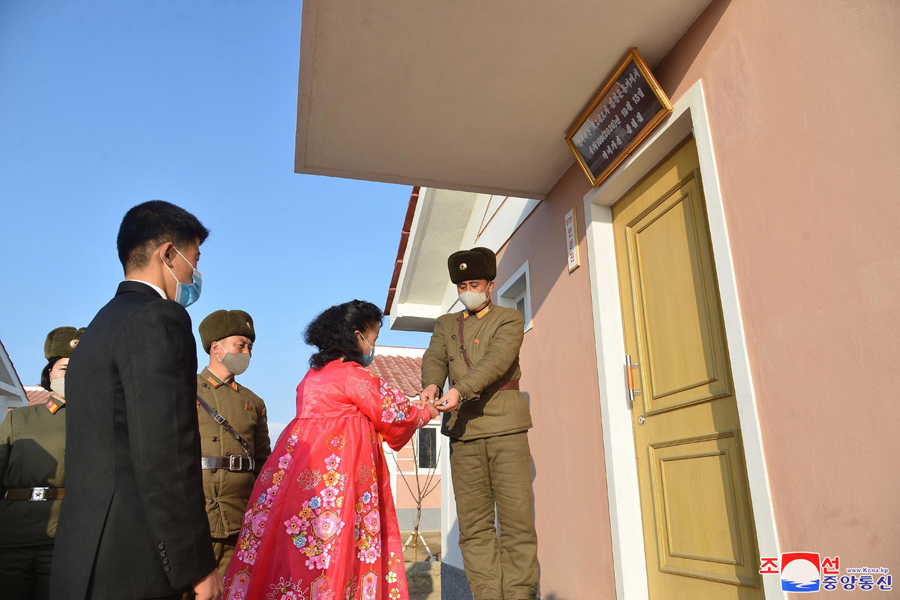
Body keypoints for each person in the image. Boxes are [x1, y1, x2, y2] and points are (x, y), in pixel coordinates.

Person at [50, 200, 222, 600]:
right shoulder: (158, 318)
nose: (195, 273)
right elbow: (166, 452)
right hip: (134, 560)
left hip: (82, 556)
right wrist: (195, 564)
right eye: (193, 260)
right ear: (167, 253)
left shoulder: (99, 327)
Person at [222, 300, 439, 600]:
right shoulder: (354, 376)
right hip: (342, 484)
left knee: (302, 555)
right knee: (342, 551)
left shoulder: (311, 377)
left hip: (303, 481)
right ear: (356, 336)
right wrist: (427, 411)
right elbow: (395, 413)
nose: (372, 347)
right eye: (372, 339)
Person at [419, 247, 539, 600]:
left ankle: (519, 595)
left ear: (490, 285)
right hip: (463, 433)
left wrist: (460, 389)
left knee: (516, 522)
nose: (467, 290)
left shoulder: (508, 319)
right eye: (461, 285)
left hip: (506, 429)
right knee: (473, 527)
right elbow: (435, 358)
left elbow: (496, 361)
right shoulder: (445, 324)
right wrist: (431, 385)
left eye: (474, 283)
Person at [185, 309, 272, 593]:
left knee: (233, 590)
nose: (246, 352)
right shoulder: (182, 389)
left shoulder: (253, 402)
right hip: (193, 515)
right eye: (240, 345)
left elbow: (263, 463)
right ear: (216, 348)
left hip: (240, 516)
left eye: (250, 347)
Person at [0, 326, 83, 600]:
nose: (70, 376)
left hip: (64, 536)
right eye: (64, 369)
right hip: (12, 536)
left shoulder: (98, 422)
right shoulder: (19, 419)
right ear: (49, 374)